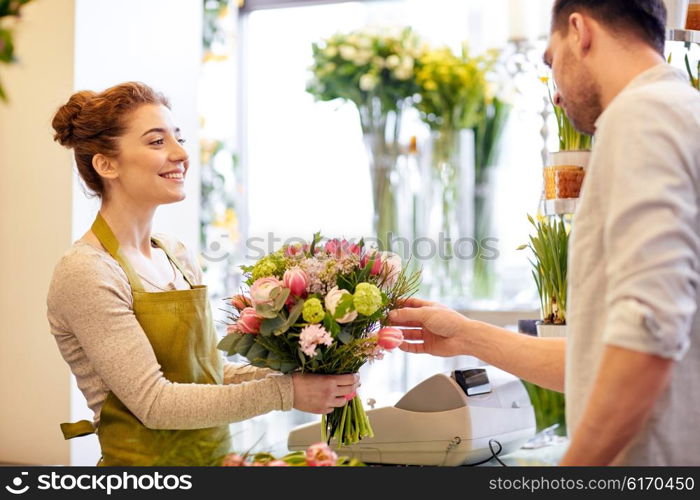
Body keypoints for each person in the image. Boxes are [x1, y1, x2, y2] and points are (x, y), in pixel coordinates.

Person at [390, 0, 700, 466]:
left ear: (579, 31)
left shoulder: (640, 118)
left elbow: (646, 336)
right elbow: (605, 360)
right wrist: (466, 335)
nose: (555, 93)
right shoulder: (680, 111)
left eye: (552, 61)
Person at [47, 82, 359, 466]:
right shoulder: (87, 271)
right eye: (157, 142)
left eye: (178, 139)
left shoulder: (175, 254)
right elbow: (154, 402)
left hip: (218, 461)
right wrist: (285, 394)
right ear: (106, 164)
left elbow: (212, 373)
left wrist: (311, 375)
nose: (181, 154)